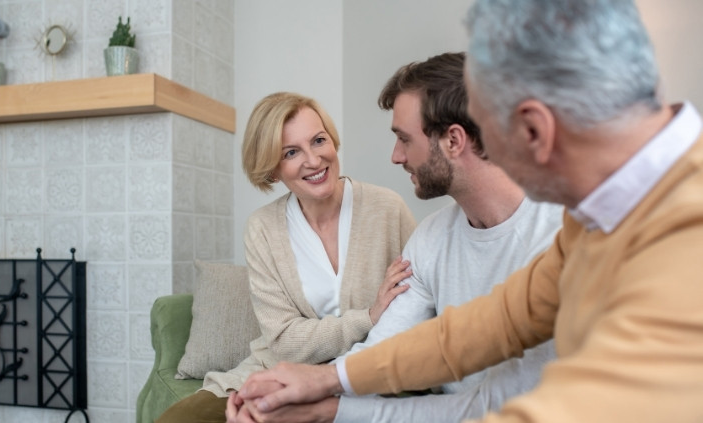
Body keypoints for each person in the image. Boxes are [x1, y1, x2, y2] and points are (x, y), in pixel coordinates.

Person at [233, 0, 703, 422]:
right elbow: (487, 326)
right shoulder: (596, 219)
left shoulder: (685, 243)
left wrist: (329, 410)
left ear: (533, 129)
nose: (486, 149)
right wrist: (326, 383)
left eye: (489, 127)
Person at [226, 52, 563, 423]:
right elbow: (381, 350)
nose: (395, 156)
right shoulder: (432, 238)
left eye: (404, 139)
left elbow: (494, 406)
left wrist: (324, 405)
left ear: (453, 140)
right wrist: (293, 394)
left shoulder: (561, 236)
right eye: (291, 151)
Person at [156, 92, 416, 423]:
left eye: (319, 140)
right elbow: (284, 342)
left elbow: (423, 301)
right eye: (291, 152)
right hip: (280, 372)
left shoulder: (387, 209)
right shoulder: (263, 228)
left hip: (370, 370)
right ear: (273, 169)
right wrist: (368, 316)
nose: (313, 159)